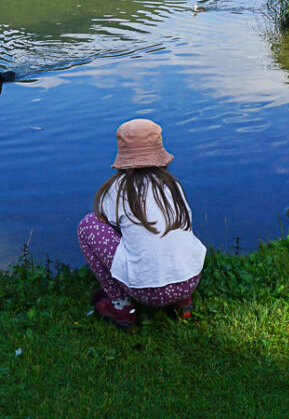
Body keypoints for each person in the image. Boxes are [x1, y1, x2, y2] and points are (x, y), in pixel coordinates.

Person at [77, 118, 206, 331]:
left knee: (89, 225)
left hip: (147, 291)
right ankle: (182, 302)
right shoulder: (173, 186)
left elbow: (107, 222)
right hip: (190, 279)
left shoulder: (118, 189)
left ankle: (122, 307)